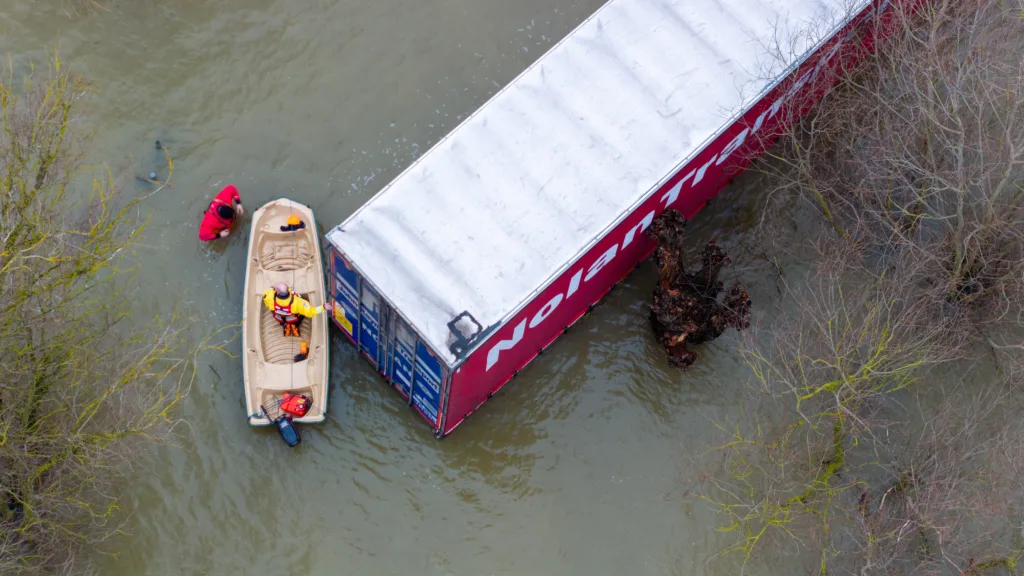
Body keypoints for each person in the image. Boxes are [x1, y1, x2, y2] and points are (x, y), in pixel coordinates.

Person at [263, 282, 333, 337]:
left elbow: (267, 293)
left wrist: (273, 289)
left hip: (279, 318)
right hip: (293, 319)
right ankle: (294, 327)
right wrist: (323, 307)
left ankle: (286, 326)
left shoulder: (268, 296)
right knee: (303, 307)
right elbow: (311, 312)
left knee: (276, 313)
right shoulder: (298, 302)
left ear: (276, 292)